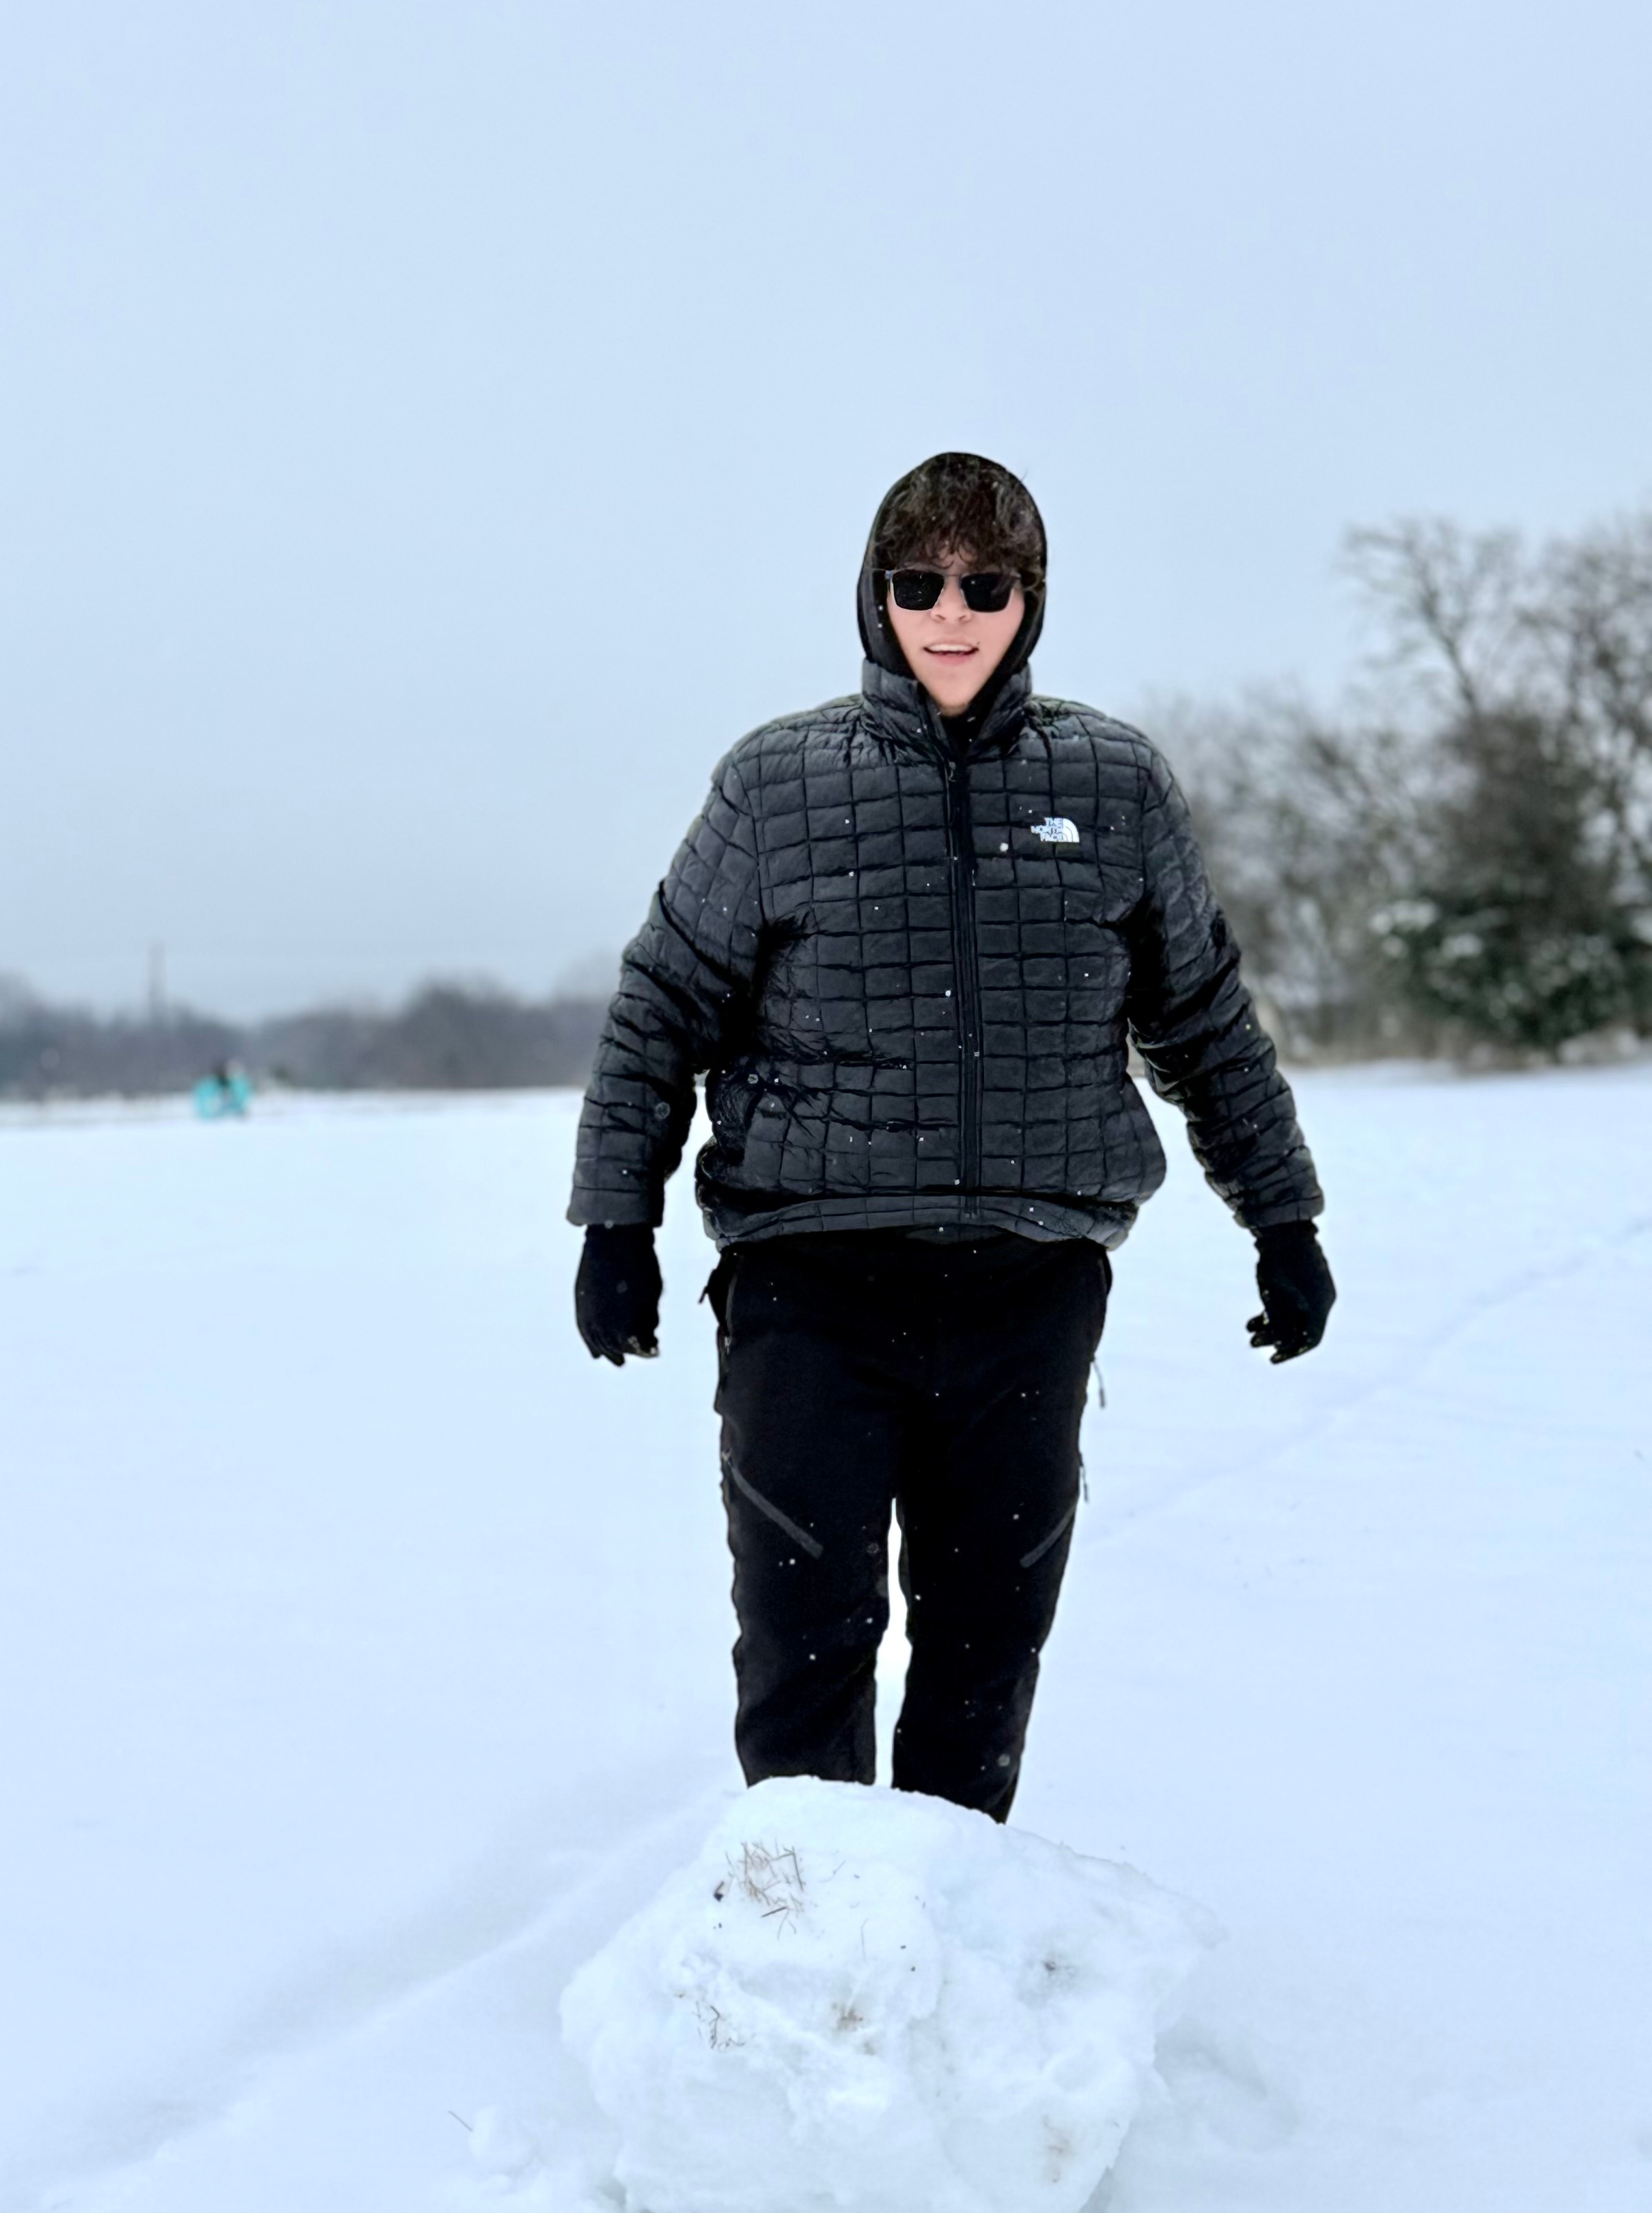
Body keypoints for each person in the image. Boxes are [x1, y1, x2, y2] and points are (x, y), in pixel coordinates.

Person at [568, 450, 1333, 1818]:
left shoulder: (1113, 782)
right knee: (807, 1644)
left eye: (987, 583)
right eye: (918, 583)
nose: (952, 612)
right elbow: (663, 1004)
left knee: (986, 1653)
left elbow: (1203, 1019)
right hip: (813, 1283)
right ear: (876, 597)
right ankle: (806, 1952)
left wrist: (1284, 1220)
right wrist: (615, 1218)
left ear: (1031, 598)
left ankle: (949, 1960)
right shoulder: (777, 785)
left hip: (1029, 1294)